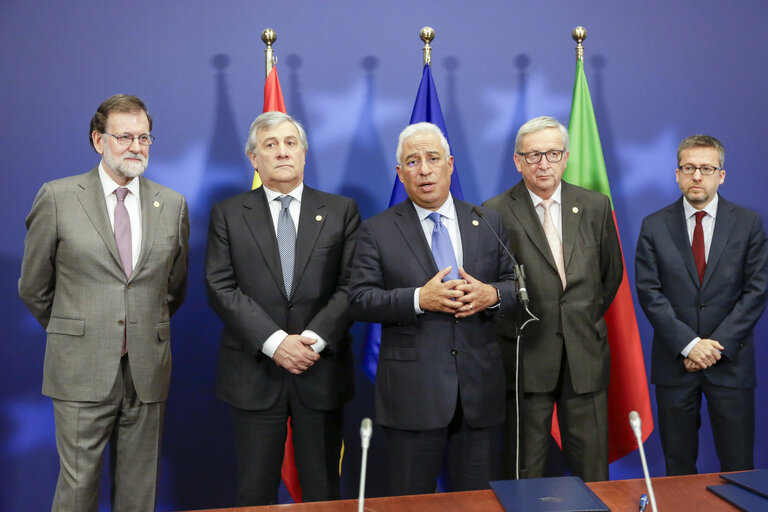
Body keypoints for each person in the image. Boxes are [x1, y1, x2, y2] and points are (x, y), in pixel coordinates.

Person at [18, 94, 189, 511]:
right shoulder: (57, 197)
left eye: (144, 137)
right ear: (98, 140)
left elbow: (173, 288)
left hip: (147, 368)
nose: (136, 146)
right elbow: (34, 287)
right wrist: (76, 330)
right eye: (124, 136)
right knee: (78, 490)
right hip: (80, 366)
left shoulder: (171, 204)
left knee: (139, 490)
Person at [348, 122, 517, 495]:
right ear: (400, 173)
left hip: (479, 394)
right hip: (413, 397)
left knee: (479, 503)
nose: (424, 169)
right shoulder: (377, 231)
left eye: (432, 158)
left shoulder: (487, 222)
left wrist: (492, 295)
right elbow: (358, 298)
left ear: (450, 164)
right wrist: (417, 300)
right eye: (413, 161)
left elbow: (516, 287)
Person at [205, 111, 360, 505]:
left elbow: (352, 286)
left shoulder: (342, 211)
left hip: (319, 369)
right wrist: (276, 343)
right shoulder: (228, 214)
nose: (282, 152)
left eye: (291, 143)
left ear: (304, 153)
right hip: (254, 374)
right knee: (254, 491)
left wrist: (311, 341)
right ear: (254, 159)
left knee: (324, 491)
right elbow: (221, 287)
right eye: (270, 145)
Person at [483, 116, 622, 482]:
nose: (543, 163)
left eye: (552, 153)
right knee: (523, 471)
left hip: (585, 357)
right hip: (525, 357)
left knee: (593, 471)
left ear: (566, 157)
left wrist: (578, 318)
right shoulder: (493, 212)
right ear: (517, 161)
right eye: (533, 155)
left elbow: (610, 277)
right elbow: (491, 288)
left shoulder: (595, 205)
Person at [635, 134, 768, 476]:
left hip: (731, 364)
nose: (697, 176)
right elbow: (649, 292)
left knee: (738, 464)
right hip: (675, 364)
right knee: (677, 465)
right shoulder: (654, 225)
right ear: (677, 174)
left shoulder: (748, 223)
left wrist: (713, 349)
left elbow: (756, 291)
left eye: (706, 168)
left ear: (721, 175)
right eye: (689, 168)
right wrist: (691, 345)